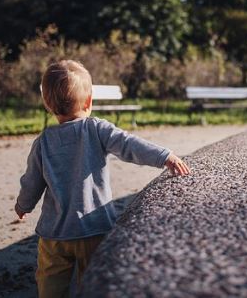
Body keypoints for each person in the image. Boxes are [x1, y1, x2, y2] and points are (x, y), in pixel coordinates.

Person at [14, 60, 190, 297]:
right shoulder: (97, 129)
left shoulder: (43, 142)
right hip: (94, 228)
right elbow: (129, 145)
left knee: (50, 282)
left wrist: (23, 205)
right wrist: (164, 156)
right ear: (88, 102)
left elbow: (32, 182)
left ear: (47, 103)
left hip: (54, 233)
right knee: (94, 283)